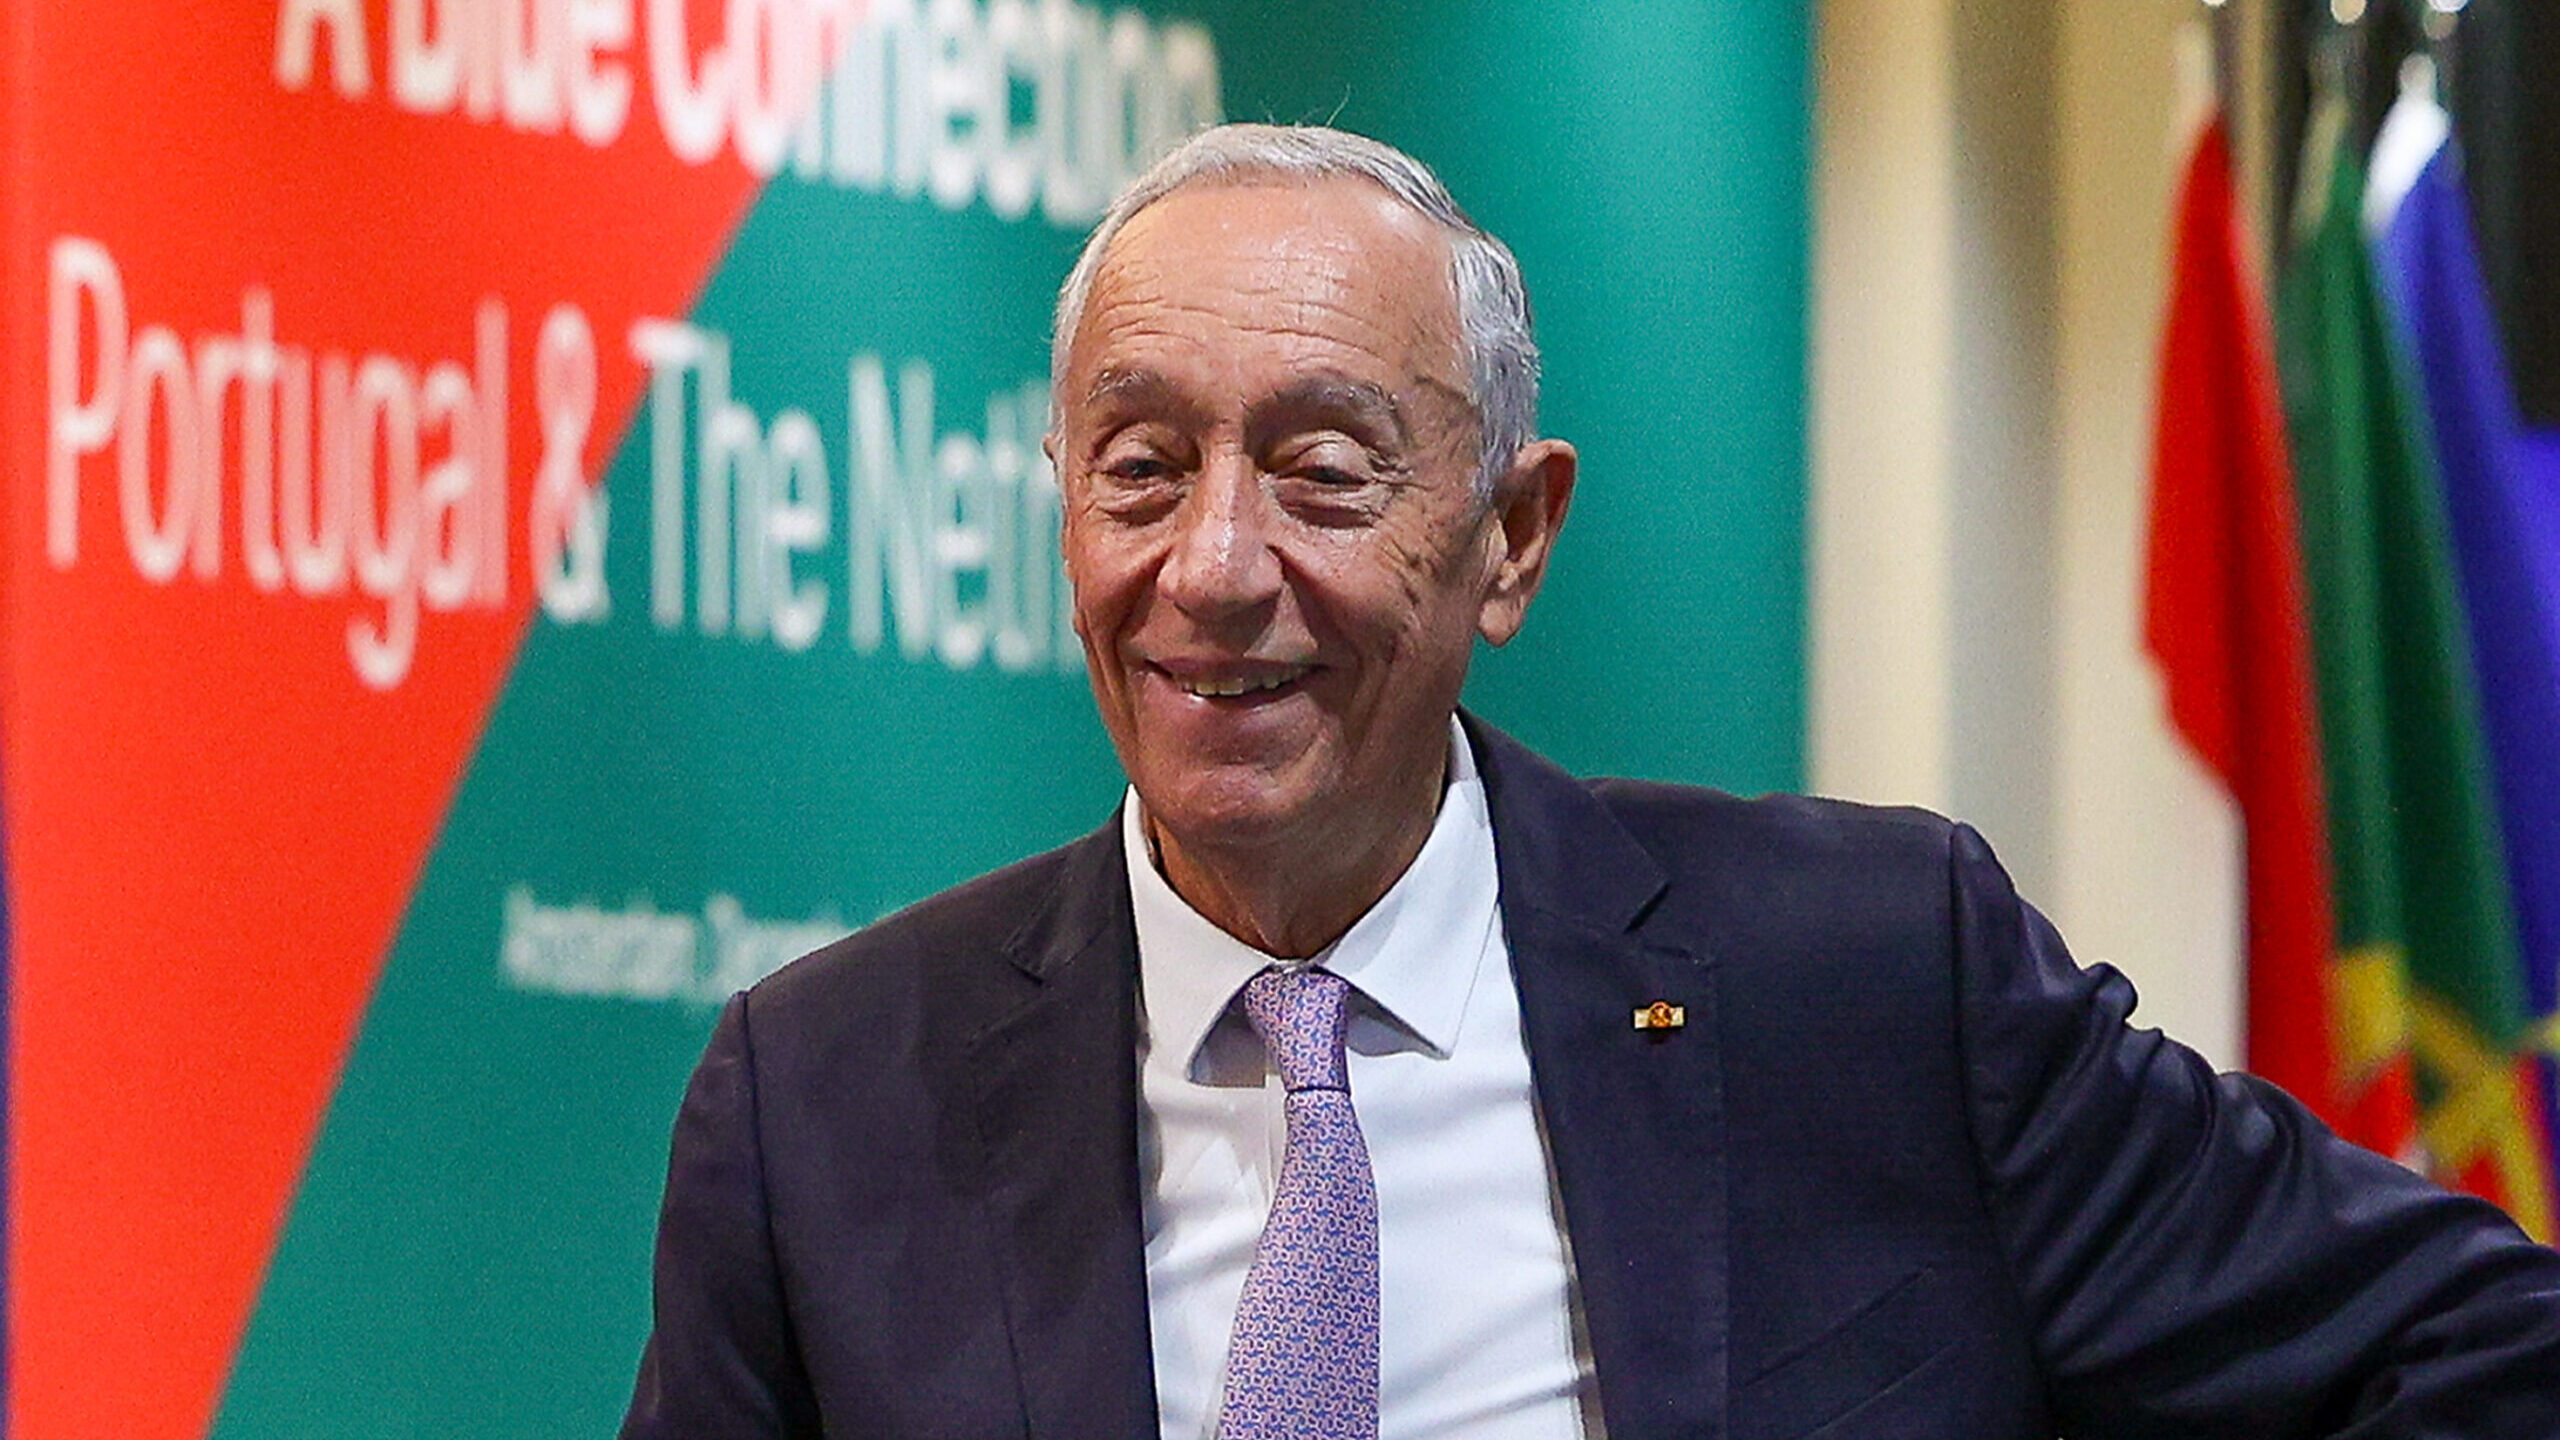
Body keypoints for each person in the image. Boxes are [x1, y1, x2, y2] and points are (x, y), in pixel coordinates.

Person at [620, 124, 2560, 1440]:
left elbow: (2476, 1353)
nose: (1210, 567)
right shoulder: (822, 1100)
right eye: (1139, 469)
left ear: (1512, 538)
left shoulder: (1876, 978)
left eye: (1320, 472)